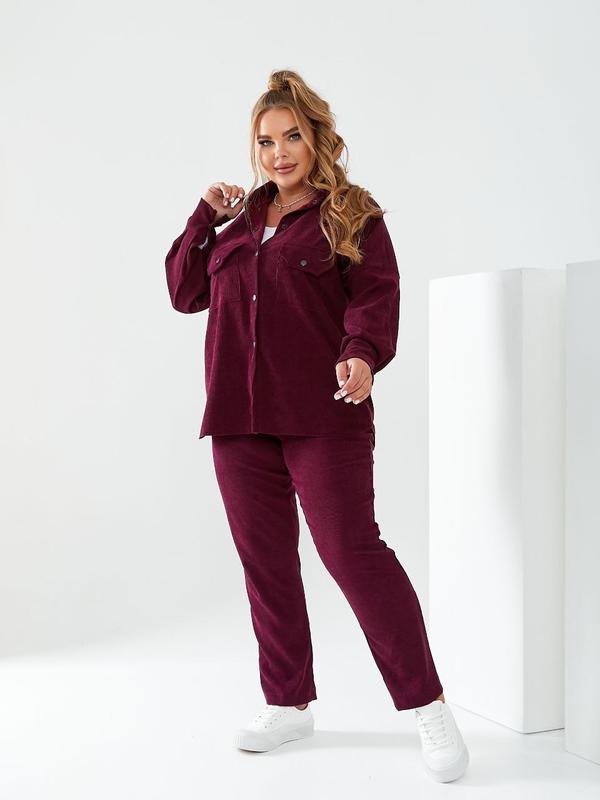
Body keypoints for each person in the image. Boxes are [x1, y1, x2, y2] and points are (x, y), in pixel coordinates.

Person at [165, 69, 469, 783]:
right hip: (239, 419)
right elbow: (184, 291)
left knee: (352, 553)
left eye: (292, 137)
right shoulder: (238, 224)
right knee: (265, 563)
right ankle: (288, 702)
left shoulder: (351, 214)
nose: (278, 153)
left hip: (323, 415)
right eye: (265, 141)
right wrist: (203, 216)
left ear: (317, 139)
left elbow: (375, 298)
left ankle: (427, 704)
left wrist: (361, 355)